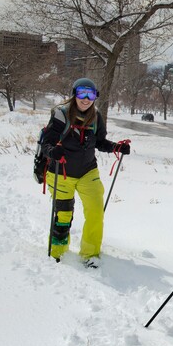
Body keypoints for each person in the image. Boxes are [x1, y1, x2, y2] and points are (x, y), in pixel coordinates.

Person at [40, 78, 131, 268]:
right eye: (82, 93)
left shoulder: (96, 117)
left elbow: (100, 142)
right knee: (64, 215)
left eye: (91, 94)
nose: (86, 98)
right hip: (61, 173)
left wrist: (117, 147)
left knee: (96, 212)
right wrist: (52, 152)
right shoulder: (61, 114)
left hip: (87, 171)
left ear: (95, 96)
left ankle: (90, 254)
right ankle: (58, 253)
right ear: (75, 94)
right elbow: (47, 142)